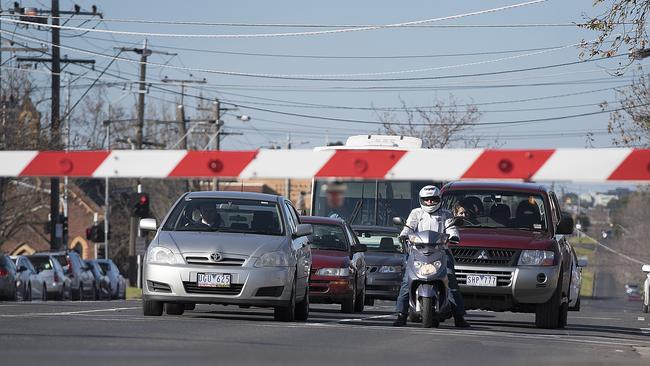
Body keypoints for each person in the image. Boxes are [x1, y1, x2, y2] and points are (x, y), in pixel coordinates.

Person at [393, 185, 470, 328]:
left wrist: (454, 236)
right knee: (406, 281)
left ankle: (459, 317)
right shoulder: (416, 213)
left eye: (433, 199)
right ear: (421, 200)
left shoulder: (445, 214)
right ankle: (401, 315)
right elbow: (408, 227)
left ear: (439, 199)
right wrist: (404, 235)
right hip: (418, 252)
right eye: (426, 199)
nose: (429, 202)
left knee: (451, 280)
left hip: (441, 251)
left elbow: (451, 227)